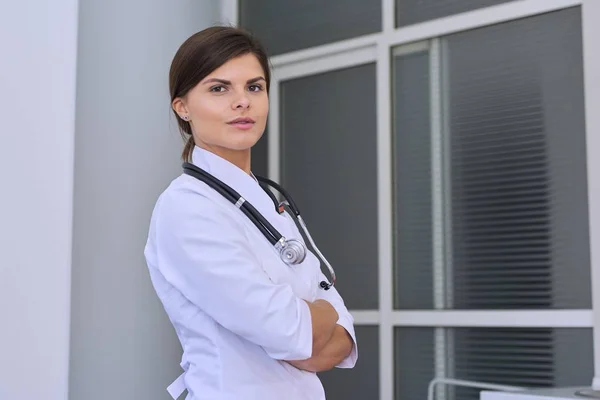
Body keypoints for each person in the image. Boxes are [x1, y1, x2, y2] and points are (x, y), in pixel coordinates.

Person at [144, 26, 358, 400]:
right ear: (182, 107)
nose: (242, 102)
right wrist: (318, 315)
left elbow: (340, 341)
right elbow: (296, 335)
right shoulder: (187, 208)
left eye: (254, 87)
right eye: (219, 88)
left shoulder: (269, 204)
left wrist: (313, 319)